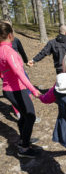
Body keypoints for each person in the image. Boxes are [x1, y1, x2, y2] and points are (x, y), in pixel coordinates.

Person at [0, 21, 40, 158]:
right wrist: (33, 90)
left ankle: (24, 139)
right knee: (30, 116)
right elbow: (19, 72)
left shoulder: (0, 50)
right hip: (16, 89)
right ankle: (24, 148)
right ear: (10, 35)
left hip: (8, 89)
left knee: (24, 115)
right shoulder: (9, 51)